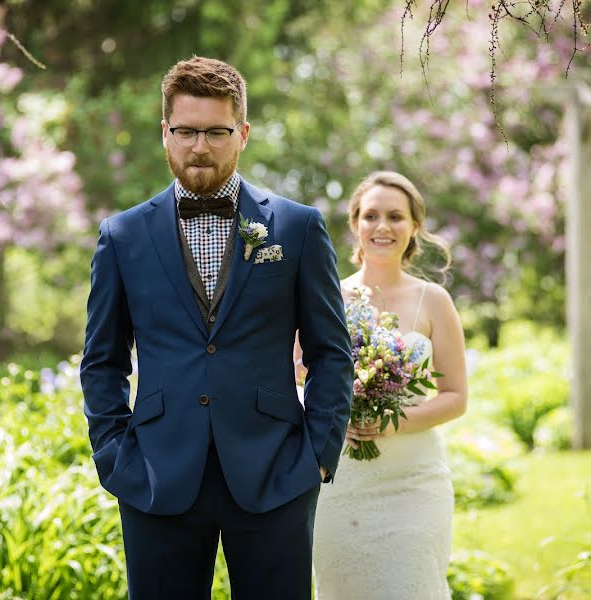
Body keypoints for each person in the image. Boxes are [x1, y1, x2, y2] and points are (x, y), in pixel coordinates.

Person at [80, 56, 353, 600]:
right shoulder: (122, 236)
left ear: (243, 133)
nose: (199, 146)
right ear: (165, 133)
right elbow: (102, 360)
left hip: (276, 472)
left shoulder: (297, 228)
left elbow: (331, 352)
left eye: (216, 131)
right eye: (185, 131)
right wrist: (115, 456)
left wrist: (318, 456)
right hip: (155, 476)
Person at [304, 171, 468, 600]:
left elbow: (455, 398)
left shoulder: (434, 301)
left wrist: (392, 424)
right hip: (340, 482)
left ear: (414, 227)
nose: (382, 227)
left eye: (395, 216)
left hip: (414, 483)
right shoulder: (326, 297)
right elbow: (298, 375)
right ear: (356, 224)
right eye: (371, 215)